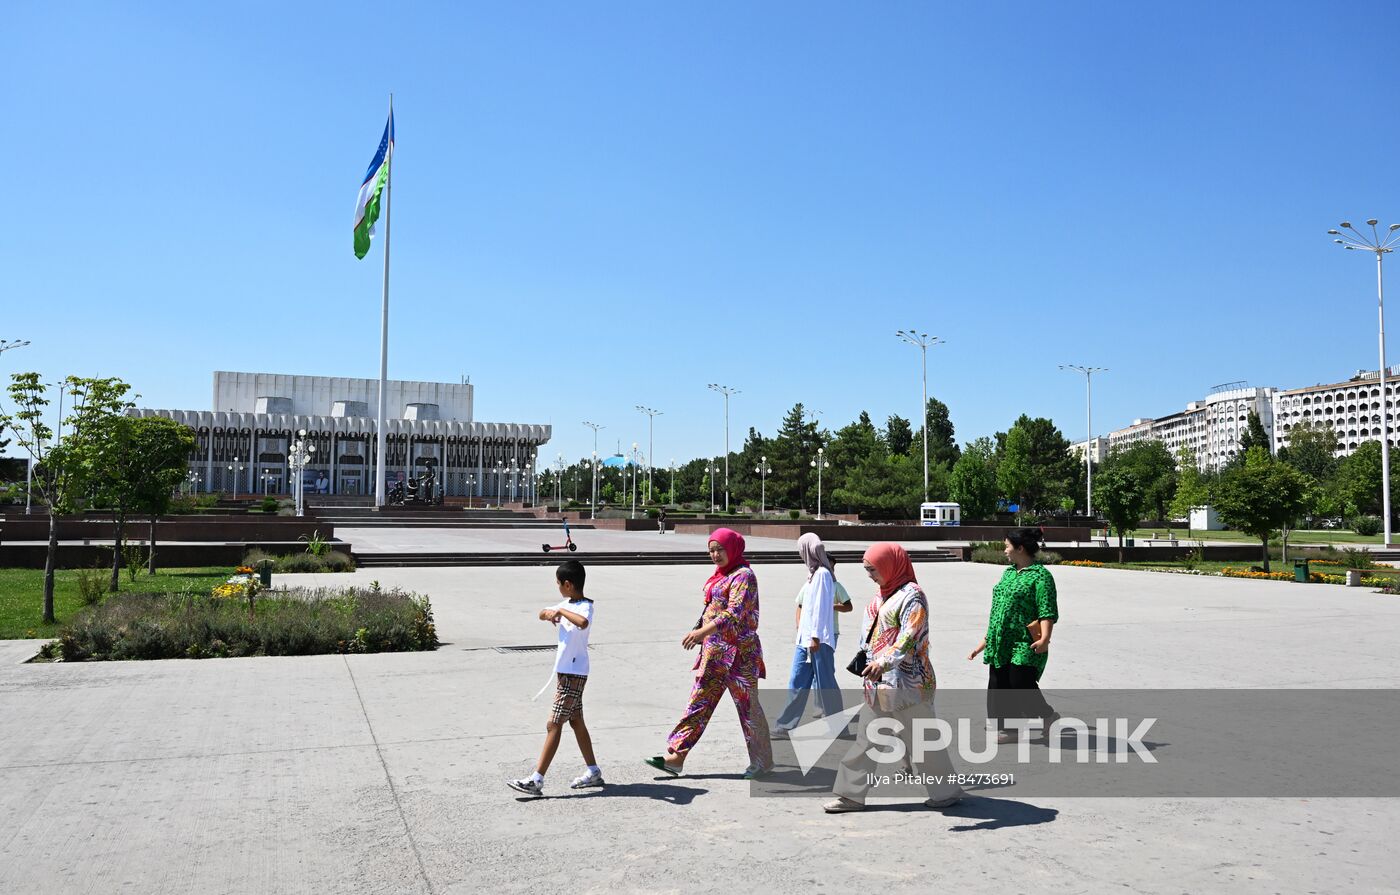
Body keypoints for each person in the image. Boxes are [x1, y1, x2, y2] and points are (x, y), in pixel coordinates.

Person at [824, 543, 962, 813]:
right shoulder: (883, 594)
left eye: (873, 569)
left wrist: (883, 662)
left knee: (923, 742)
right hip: (879, 683)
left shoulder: (913, 596)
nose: (870, 575)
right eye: (867, 570)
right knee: (866, 740)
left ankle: (946, 792)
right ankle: (850, 795)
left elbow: (909, 638)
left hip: (910, 683)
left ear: (890, 565)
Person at [645, 528, 773, 778]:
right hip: (715, 654)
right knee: (698, 703)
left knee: (749, 709)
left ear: (733, 549)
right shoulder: (720, 576)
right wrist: (699, 631)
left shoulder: (744, 576)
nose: (715, 555)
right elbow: (712, 609)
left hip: (741, 655)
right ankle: (676, 757)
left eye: (720, 549)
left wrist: (702, 632)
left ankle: (762, 762)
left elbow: (734, 612)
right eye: (711, 550)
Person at [508, 560, 604, 795]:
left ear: (568, 584)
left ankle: (536, 779)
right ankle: (593, 771)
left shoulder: (584, 607)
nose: (558, 587)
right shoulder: (567, 603)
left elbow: (582, 622)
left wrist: (560, 611)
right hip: (566, 673)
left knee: (554, 723)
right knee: (576, 721)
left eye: (559, 583)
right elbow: (542, 613)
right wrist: (550, 613)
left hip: (574, 673)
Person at [968, 528, 1059, 744]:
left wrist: (1045, 639)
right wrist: (986, 640)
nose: (1005, 550)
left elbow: (1046, 610)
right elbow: (998, 609)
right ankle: (1010, 730)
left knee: (1020, 682)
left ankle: (1048, 716)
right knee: (999, 682)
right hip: (1000, 638)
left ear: (1020, 548)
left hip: (1025, 639)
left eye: (1007, 545)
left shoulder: (1041, 576)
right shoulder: (1008, 573)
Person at [773, 533, 846, 734]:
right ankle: (784, 725)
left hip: (817, 641)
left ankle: (838, 726)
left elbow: (822, 608)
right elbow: (805, 606)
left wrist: (815, 636)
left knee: (826, 684)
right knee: (797, 681)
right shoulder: (813, 574)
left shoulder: (822, 574)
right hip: (805, 641)